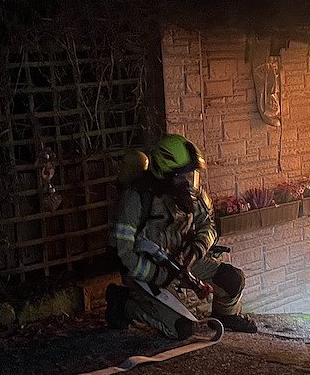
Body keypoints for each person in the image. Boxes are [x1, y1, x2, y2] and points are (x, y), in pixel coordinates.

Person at [107, 133, 256, 337]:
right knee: (180, 329)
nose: (189, 182)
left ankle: (226, 315)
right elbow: (123, 255)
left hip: (182, 261)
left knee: (232, 279)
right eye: (182, 177)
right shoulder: (135, 199)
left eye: (191, 175)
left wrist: (194, 253)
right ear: (164, 175)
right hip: (148, 272)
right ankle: (124, 303)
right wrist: (161, 276)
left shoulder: (193, 195)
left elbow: (209, 226)